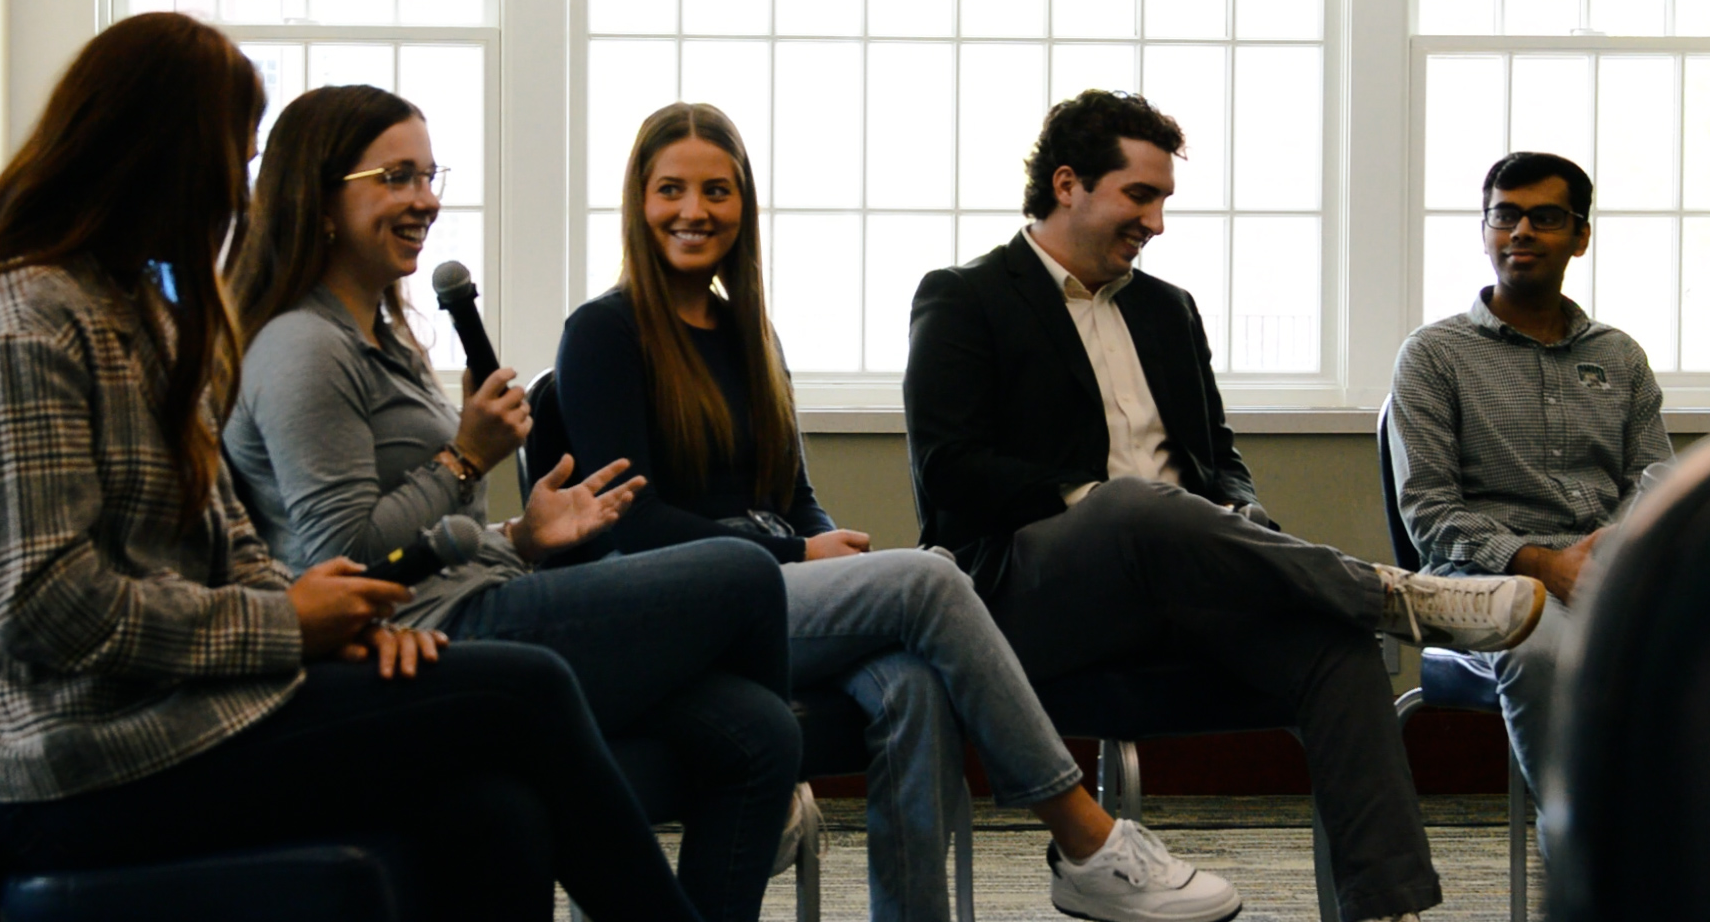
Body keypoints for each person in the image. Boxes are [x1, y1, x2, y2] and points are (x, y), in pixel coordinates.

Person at [0, 13, 708, 921]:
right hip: (90, 762)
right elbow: (50, 608)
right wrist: (285, 625)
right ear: (153, 155)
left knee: (500, 812)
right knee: (527, 691)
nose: (240, 199)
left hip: (192, 709)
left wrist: (337, 623)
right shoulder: (16, 328)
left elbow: (230, 535)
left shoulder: (140, 313)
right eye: (230, 163)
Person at [552, 101, 1243, 922]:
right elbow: (625, 525)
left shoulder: (750, 337)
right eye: (671, 189)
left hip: (761, 596)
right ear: (639, 201)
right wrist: (794, 556)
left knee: (912, 684)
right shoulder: (601, 333)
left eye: (718, 190)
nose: (695, 211)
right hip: (668, 606)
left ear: (744, 206)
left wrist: (818, 538)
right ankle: (1084, 835)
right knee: (927, 579)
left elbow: (791, 494)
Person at [902, 89, 1555, 922]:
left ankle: (1387, 908)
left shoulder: (1166, 309)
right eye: (1141, 196)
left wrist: (1238, 512)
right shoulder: (964, 298)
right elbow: (950, 470)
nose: (1158, 222)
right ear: (1067, 184)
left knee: (1338, 648)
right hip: (1030, 600)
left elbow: (1218, 456)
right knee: (1135, 508)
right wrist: (1093, 501)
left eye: (1165, 199)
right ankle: (1397, 594)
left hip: (1186, 582)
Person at [223, 84, 800, 922]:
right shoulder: (302, 348)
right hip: (419, 641)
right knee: (742, 574)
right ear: (318, 200)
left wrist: (523, 536)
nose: (424, 199)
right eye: (395, 176)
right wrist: (465, 457)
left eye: (428, 175)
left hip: (482, 594)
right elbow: (340, 556)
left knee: (761, 733)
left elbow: (416, 524)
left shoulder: (380, 337)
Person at [1388, 151, 1672, 839]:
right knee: (1544, 649)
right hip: (1485, 587)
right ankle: (1583, 848)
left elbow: (1654, 478)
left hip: (1611, 577)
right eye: (1505, 216)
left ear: (1579, 235)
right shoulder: (1434, 357)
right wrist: (1548, 566)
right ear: (1485, 230)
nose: (1521, 232)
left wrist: (1612, 557)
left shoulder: (1620, 357)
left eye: (1544, 218)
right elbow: (1429, 511)